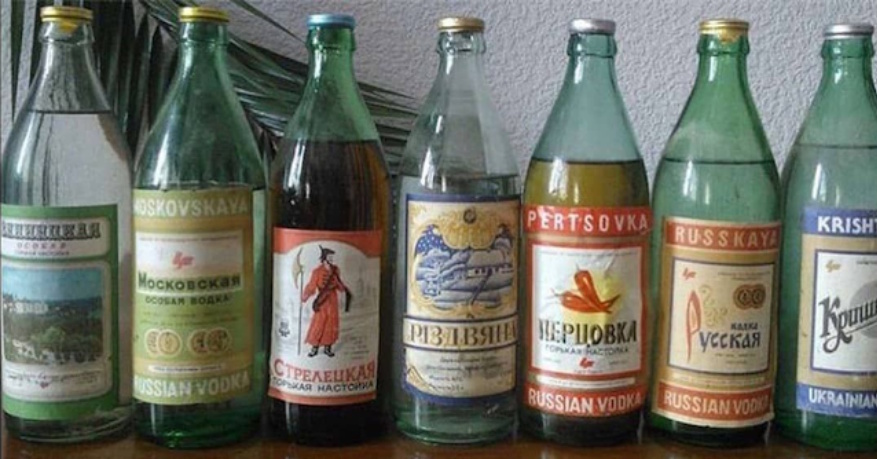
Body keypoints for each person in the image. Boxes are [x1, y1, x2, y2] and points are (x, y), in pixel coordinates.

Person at [301, 246, 351, 357]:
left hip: (332, 300)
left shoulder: (336, 270)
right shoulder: (317, 272)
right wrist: (305, 296)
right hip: (322, 301)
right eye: (330, 257)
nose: (332, 259)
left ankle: (328, 348)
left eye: (332, 257)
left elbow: (338, 284)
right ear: (324, 258)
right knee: (318, 324)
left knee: (331, 324)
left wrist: (343, 288)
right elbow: (311, 286)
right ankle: (314, 348)